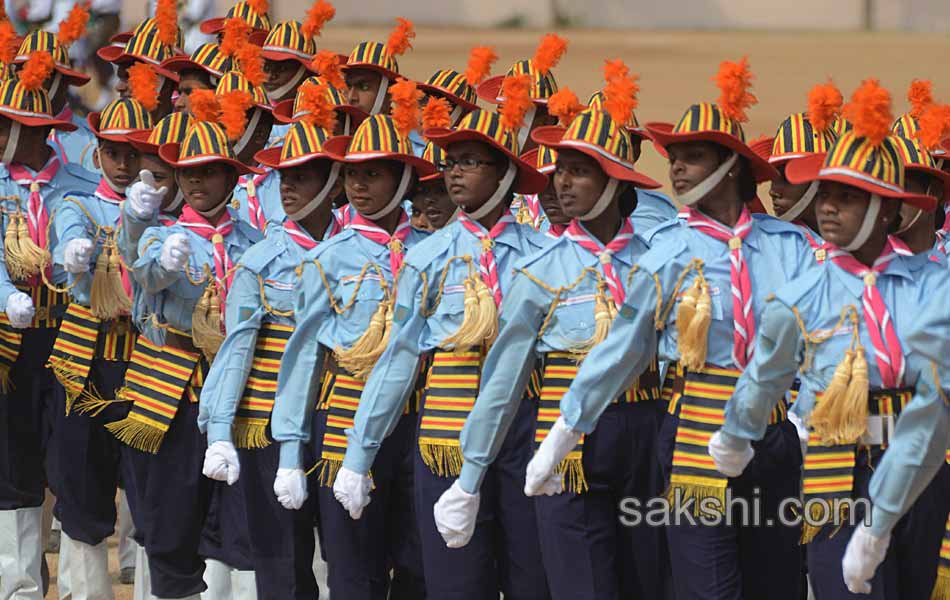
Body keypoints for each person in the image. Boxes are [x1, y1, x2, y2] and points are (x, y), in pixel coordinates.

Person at [522, 58, 815, 600]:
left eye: (692, 157)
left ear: (730, 165)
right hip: (691, 439)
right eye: (673, 158)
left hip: (772, 438)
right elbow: (624, 347)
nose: (676, 169)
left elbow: (823, 342)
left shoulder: (790, 248)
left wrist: (800, 423)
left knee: (777, 584)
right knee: (706, 585)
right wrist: (565, 431)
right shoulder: (669, 251)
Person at [709, 79, 948, 600]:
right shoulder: (799, 293)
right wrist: (734, 435)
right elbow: (765, 375)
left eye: (849, 197)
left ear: (887, 210)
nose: (829, 208)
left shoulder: (934, 284)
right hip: (834, 464)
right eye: (827, 194)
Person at [437, 84, 672, 600]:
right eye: (559, 170)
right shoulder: (540, 270)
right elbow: (504, 379)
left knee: (651, 583)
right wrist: (470, 475)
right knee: (580, 585)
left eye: (579, 171)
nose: (562, 183)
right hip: (565, 445)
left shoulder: (658, 259)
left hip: (647, 432)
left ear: (614, 180)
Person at [334, 79, 554, 598]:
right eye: (450, 161)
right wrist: (357, 455)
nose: (454, 172)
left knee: (532, 578)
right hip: (446, 434)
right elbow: (400, 357)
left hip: (525, 428)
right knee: (456, 581)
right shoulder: (427, 258)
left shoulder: (544, 255)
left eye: (470, 161)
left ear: (504, 173)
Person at [271, 90, 434, 599]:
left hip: (422, 421)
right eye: (352, 174)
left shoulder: (433, 252)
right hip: (344, 418)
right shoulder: (328, 258)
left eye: (374, 173)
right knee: (353, 565)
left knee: (418, 563)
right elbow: (302, 360)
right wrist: (291, 454)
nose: (359, 185)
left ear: (403, 179)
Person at [107, 100, 262, 600]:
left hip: (241, 390)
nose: (196, 183)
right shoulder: (164, 237)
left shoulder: (255, 240)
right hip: (176, 390)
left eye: (209, 172)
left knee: (237, 519)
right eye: (187, 173)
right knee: (171, 518)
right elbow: (142, 271)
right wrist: (151, 245)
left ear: (232, 178)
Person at [198, 103, 350, 599]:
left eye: (302, 178)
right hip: (266, 423)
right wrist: (219, 429)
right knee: (279, 559)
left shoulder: (359, 255)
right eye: (284, 177)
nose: (286, 188)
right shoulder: (258, 260)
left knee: (346, 554)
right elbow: (236, 351)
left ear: (332, 183)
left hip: (340, 420)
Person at [0, 56, 97, 600]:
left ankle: (84, 590)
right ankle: (18, 588)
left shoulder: (82, 183)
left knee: (74, 459)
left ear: (31, 132)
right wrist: (7, 294)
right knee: (12, 460)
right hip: (10, 337)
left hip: (72, 334)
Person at [49, 94, 152, 599]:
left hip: (149, 363)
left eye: (134, 152)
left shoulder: (162, 210)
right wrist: (71, 255)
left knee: (153, 490)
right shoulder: (79, 202)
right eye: (114, 152)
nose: (124, 163)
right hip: (87, 362)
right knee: (81, 483)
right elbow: (65, 237)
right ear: (98, 154)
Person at [12, 7, 97, 168]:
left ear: (64, 82)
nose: (29, 82)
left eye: (40, 74)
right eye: (23, 73)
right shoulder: (5, 133)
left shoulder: (91, 142)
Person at [342, 17, 415, 118]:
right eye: (348, 87)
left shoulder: (406, 134)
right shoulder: (333, 132)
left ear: (390, 94)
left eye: (364, 87)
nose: (351, 97)